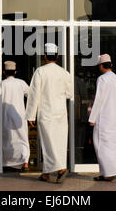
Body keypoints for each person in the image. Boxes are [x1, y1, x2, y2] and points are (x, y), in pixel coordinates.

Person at [26, 43, 72, 183]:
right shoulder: (65, 73)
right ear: (57, 56)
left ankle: (61, 169)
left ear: (45, 56)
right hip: (61, 113)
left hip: (46, 112)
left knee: (48, 143)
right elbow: (69, 94)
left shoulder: (40, 71)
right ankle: (46, 174)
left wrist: (30, 115)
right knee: (59, 142)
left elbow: (34, 95)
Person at [89, 54, 116, 181]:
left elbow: (99, 100)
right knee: (115, 145)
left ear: (101, 65)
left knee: (101, 146)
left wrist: (92, 118)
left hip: (104, 118)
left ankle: (108, 173)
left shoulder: (102, 79)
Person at [0, 61, 30, 171]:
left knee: (7, 139)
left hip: (5, 116)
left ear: (4, 72)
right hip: (19, 116)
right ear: (16, 72)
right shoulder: (21, 83)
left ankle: (6, 162)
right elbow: (31, 96)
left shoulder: (1, 84)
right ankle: (25, 162)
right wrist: (31, 113)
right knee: (22, 138)